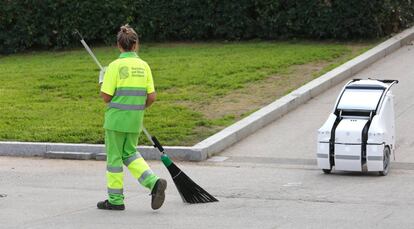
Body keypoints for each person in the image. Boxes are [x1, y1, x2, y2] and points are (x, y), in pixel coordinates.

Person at [97, 24, 167, 211]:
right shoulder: (144, 66)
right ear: (135, 45)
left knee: (114, 160)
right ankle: (153, 183)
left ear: (119, 45)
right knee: (129, 154)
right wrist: (138, 108)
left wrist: (102, 80)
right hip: (135, 120)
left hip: (115, 121)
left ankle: (115, 200)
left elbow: (106, 97)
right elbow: (151, 97)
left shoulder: (114, 66)